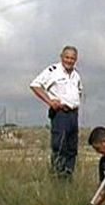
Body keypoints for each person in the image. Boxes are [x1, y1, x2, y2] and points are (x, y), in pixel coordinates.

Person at [30, 45, 83, 178]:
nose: (69, 61)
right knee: (59, 147)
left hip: (73, 115)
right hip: (61, 114)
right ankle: (57, 178)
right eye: (67, 57)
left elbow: (79, 92)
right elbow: (35, 85)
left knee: (72, 149)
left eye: (72, 58)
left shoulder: (76, 75)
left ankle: (68, 177)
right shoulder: (53, 71)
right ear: (61, 57)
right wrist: (50, 101)